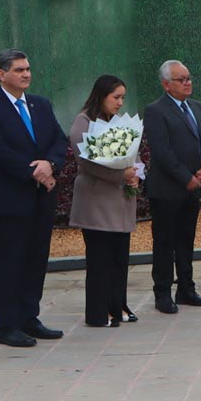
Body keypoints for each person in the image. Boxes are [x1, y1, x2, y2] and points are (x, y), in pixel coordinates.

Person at [0, 49, 69, 346]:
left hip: (40, 198)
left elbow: (59, 140)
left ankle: (29, 317)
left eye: (28, 69)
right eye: (19, 70)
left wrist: (50, 164)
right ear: (2, 74)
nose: (26, 74)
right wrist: (33, 172)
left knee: (35, 259)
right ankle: (6, 326)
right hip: (7, 199)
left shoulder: (40, 104)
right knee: (8, 261)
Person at [144, 60, 201, 314]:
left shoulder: (197, 107)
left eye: (188, 77)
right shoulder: (156, 111)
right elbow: (162, 152)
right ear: (166, 85)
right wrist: (187, 177)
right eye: (181, 79)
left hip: (194, 187)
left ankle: (186, 287)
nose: (188, 83)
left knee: (186, 240)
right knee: (164, 242)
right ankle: (162, 292)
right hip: (167, 189)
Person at [69, 75, 140, 327]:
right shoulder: (84, 121)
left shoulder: (119, 121)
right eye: (116, 97)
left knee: (120, 259)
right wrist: (121, 174)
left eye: (123, 97)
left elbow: (135, 153)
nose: (120, 102)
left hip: (120, 201)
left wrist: (136, 174)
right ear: (101, 96)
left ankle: (118, 304)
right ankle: (98, 312)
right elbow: (86, 161)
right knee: (100, 261)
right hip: (96, 202)